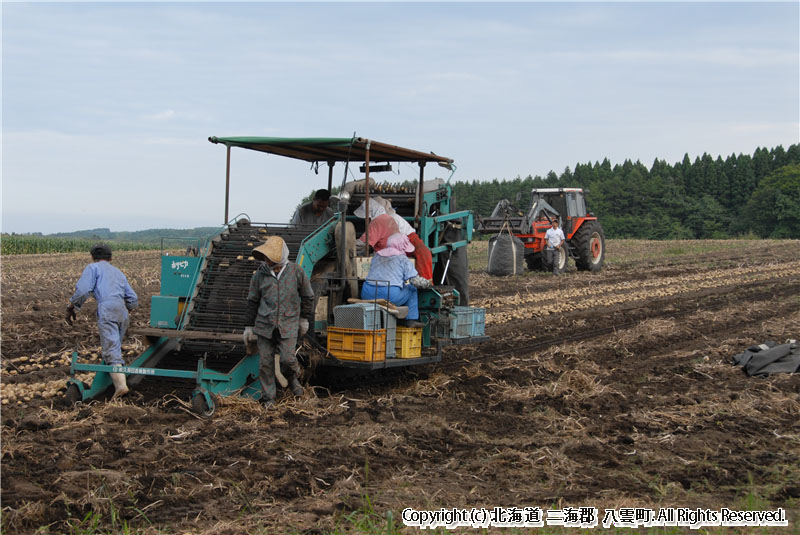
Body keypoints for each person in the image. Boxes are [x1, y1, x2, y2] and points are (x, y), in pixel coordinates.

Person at [243, 236, 314, 407]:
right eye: (265, 257)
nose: (266, 260)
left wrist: (304, 318)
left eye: (269, 257)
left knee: (287, 359)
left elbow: (308, 296)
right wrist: (248, 326)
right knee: (265, 363)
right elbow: (252, 300)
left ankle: (293, 378)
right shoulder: (260, 275)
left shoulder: (296, 272)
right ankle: (269, 398)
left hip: (288, 323)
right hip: (264, 325)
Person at [66, 244, 138, 398]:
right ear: (111, 258)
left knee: (111, 349)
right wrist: (127, 309)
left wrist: (72, 306)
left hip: (107, 307)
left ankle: (121, 386)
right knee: (114, 347)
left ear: (93, 257)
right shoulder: (118, 273)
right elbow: (133, 298)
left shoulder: (93, 268)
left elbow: (84, 290)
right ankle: (111, 383)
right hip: (122, 310)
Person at [361, 233, 430, 328]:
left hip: (367, 293)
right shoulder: (403, 259)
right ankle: (411, 320)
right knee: (412, 289)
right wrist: (427, 283)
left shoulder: (377, 255)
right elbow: (415, 281)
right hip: (389, 294)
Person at [354, 198, 433, 281]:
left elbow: (365, 242)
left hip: (408, 240)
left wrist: (350, 246)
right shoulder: (386, 218)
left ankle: (426, 283)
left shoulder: (382, 220)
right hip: (400, 243)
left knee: (422, 255)